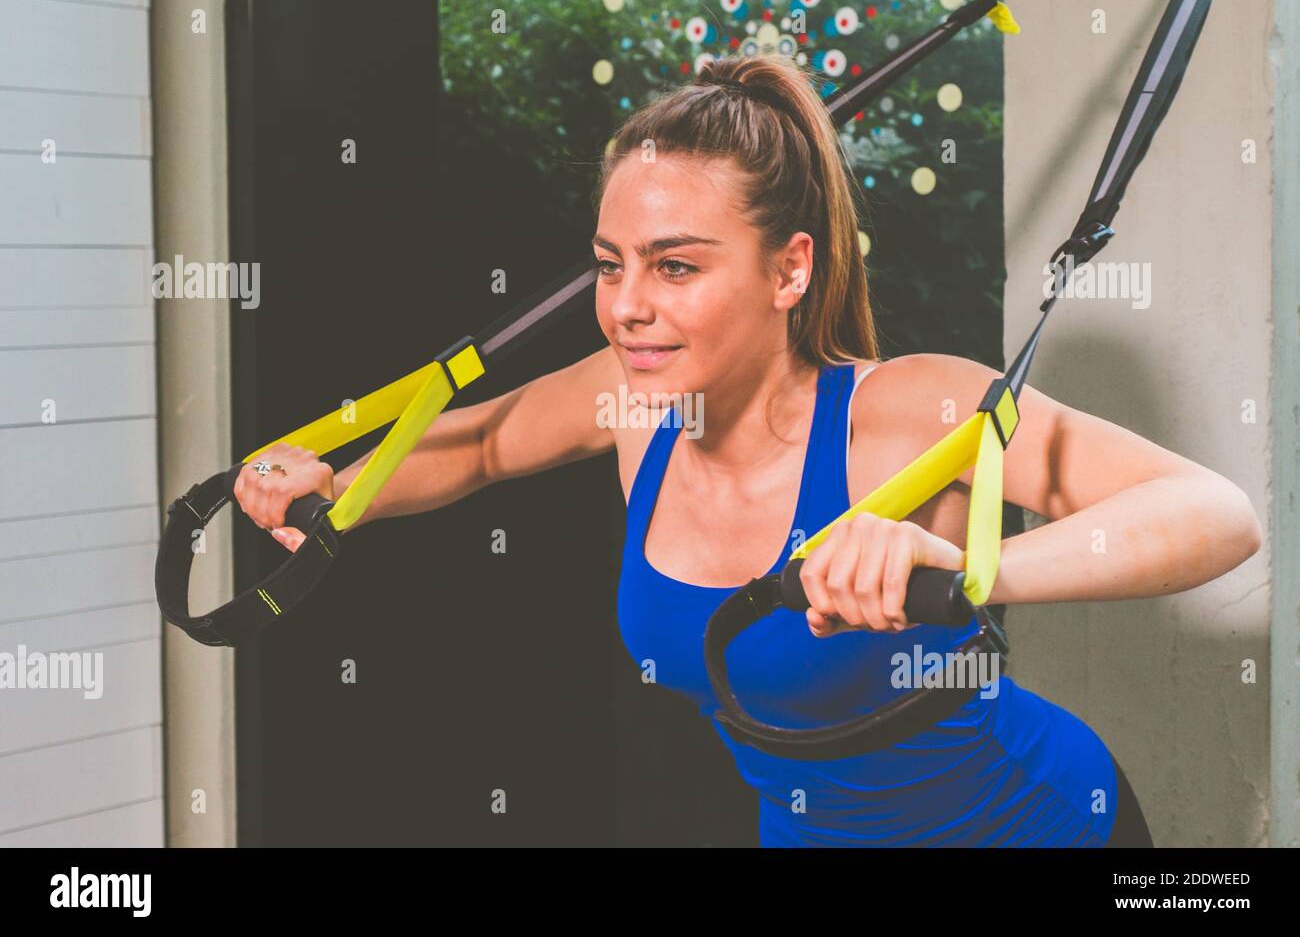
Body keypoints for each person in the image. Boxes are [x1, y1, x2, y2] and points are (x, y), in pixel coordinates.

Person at [231, 55, 1262, 846]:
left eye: (675, 266)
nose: (627, 307)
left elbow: (1216, 515)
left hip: (1034, 822)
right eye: (610, 265)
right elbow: (480, 445)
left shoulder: (909, 411)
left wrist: (968, 568)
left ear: (788, 270)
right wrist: (335, 484)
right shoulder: (632, 402)